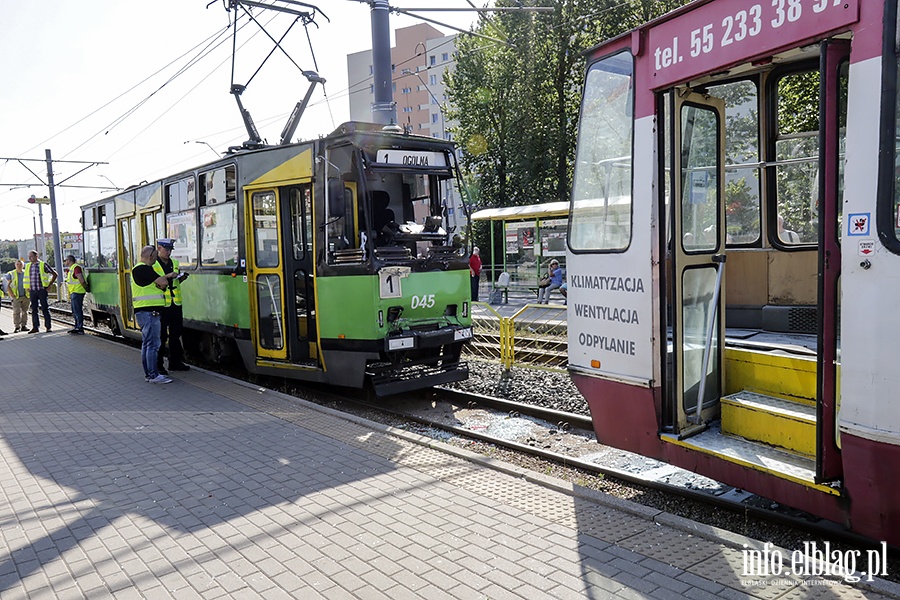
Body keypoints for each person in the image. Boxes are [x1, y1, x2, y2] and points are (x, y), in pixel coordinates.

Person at [133, 245, 172, 384]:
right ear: (151, 256)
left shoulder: (139, 269)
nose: (157, 258)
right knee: (153, 345)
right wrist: (164, 280)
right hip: (149, 313)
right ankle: (153, 375)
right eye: (155, 255)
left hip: (145, 312)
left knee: (147, 344)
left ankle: (149, 374)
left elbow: (160, 282)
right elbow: (163, 282)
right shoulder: (143, 269)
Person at [154, 238, 190, 373]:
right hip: (162, 304)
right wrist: (168, 276)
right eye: (166, 250)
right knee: (161, 336)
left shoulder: (174, 262)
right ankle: (159, 365)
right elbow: (155, 283)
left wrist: (180, 278)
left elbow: (175, 284)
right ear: (159, 249)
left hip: (175, 304)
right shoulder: (153, 264)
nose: (169, 252)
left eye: (170, 250)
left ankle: (175, 362)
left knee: (176, 335)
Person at [26, 250, 57, 333]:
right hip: (32, 290)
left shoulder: (43, 265)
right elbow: (27, 278)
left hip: (42, 290)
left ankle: (48, 327)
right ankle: (35, 327)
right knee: (34, 309)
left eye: (31, 256)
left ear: (36, 256)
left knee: (45, 308)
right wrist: (27, 287)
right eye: (29, 257)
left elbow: (55, 274)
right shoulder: (28, 266)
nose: (29, 258)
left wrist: (50, 284)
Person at [64, 255, 87, 334]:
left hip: (78, 292)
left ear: (69, 260)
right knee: (75, 311)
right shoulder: (71, 269)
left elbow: (81, 279)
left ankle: (80, 328)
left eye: (66, 260)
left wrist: (86, 288)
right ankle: (77, 326)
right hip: (74, 292)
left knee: (77, 311)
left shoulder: (76, 268)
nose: (65, 262)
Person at [5, 260, 29, 333]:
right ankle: (17, 326)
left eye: (20, 264)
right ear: (15, 265)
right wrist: (11, 293)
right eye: (17, 264)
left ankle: (24, 325)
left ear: (23, 265)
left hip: (26, 295)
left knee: (25, 312)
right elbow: (6, 284)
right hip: (16, 296)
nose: (19, 265)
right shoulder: (11, 274)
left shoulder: (26, 273)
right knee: (16, 312)